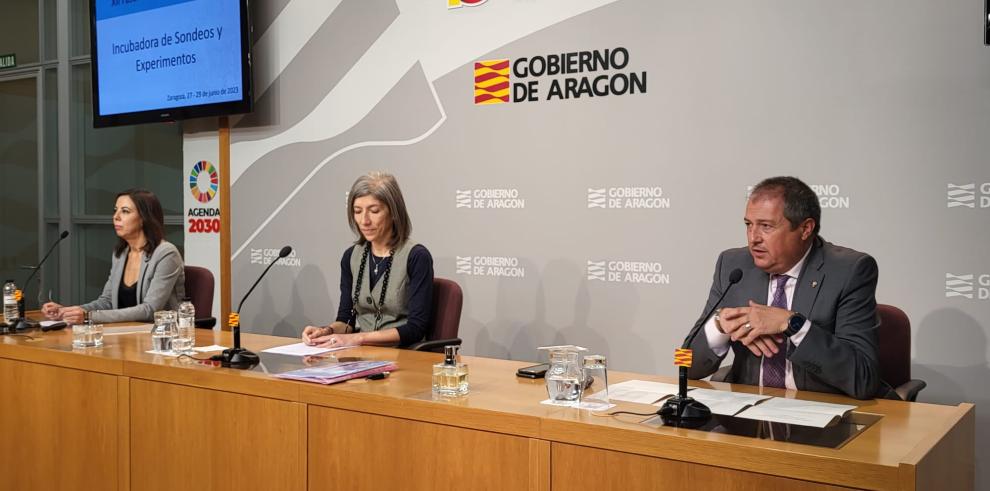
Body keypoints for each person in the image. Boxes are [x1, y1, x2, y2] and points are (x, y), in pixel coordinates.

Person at [686, 176, 885, 400]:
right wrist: (718, 326)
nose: (753, 238)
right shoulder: (733, 266)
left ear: (805, 229)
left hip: (821, 414)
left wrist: (792, 324)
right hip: (747, 415)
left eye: (766, 226)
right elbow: (684, 364)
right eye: (748, 225)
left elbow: (864, 379)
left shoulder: (848, 271)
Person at [302, 172, 433, 348]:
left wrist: (359, 338)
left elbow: (416, 328)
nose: (364, 221)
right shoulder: (351, 256)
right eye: (357, 211)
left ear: (393, 212)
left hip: (403, 355)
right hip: (360, 355)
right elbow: (346, 320)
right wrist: (326, 331)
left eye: (374, 211)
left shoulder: (416, 256)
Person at [42, 189, 185, 324]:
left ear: (144, 218)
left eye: (125, 211)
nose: (116, 217)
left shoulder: (166, 253)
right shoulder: (121, 254)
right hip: (123, 337)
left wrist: (88, 317)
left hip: (159, 338)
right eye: (115, 210)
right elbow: (107, 301)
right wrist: (70, 311)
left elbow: (150, 310)